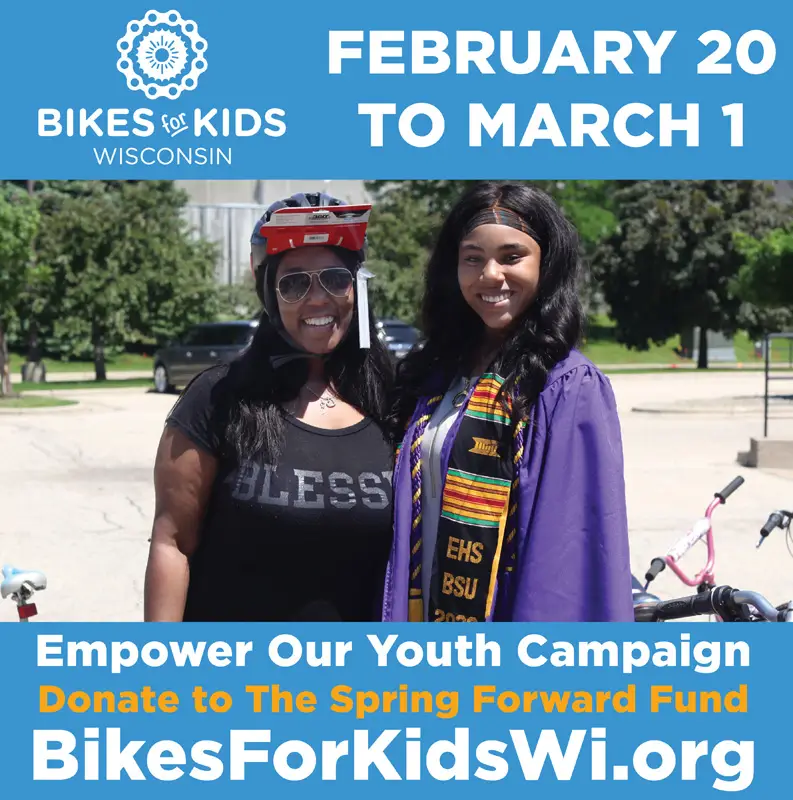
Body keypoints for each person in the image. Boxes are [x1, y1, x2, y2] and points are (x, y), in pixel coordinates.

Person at [382, 182, 634, 623]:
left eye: (511, 257)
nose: (490, 275)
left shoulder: (565, 386)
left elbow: (566, 557)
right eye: (472, 258)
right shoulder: (435, 376)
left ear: (546, 265)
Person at [144, 192, 396, 622]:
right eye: (294, 283)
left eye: (336, 279)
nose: (317, 299)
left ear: (357, 287)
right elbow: (173, 544)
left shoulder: (396, 399)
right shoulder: (219, 398)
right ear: (269, 293)